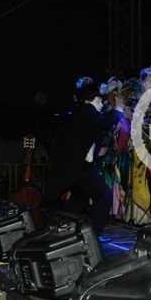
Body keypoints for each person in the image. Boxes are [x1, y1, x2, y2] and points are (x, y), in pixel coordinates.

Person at [45, 77, 117, 234]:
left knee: (79, 198)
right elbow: (106, 122)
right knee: (104, 195)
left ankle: (65, 230)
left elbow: (89, 138)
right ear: (90, 100)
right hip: (80, 169)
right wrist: (118, 109)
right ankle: (93, 233)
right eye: (99, 100)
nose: (101, 104)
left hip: (77, 169)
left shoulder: (80, 113)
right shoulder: (88, 111)